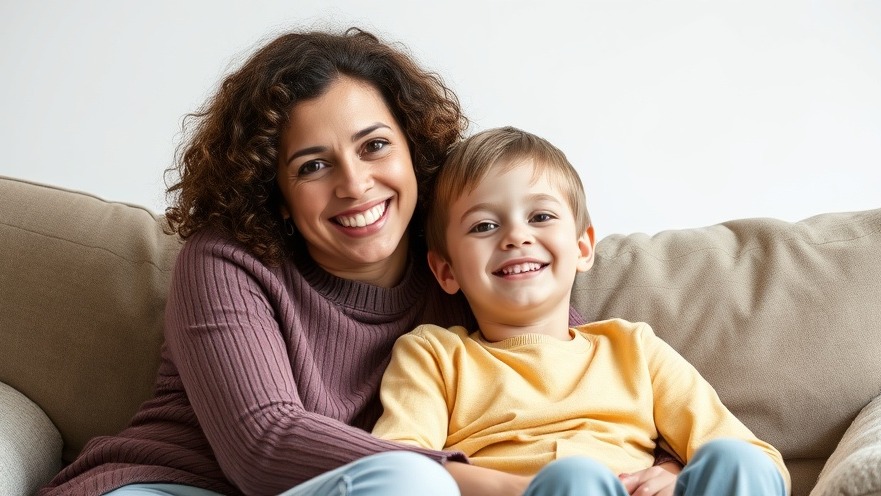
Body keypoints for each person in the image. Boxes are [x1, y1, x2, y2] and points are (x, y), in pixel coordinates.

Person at [39, 29, 679, 496]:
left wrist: (665, 470)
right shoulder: (226, 262)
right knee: (409, 481)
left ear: (414, 150)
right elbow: (263, 446)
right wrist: (506, 486)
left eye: (374, 146)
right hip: (169, 487)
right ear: (276, 191)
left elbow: (576, 386)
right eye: (313, 165)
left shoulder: (471, 257)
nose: (355, 185)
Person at [371, 126, 791, 496]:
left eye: (540, 216)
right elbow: (404, 469)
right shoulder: (434, 355)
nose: (517, 236)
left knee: (738, 461)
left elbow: (762, 460)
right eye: (484, 225)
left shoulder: (633, 348)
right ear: (446, 270)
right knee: (575, 480)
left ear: (582, 247)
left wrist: (674, 476)